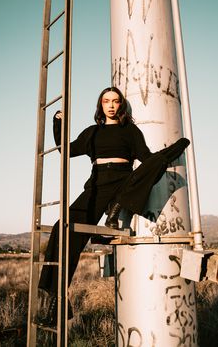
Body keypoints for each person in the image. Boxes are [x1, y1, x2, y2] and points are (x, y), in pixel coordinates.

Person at [38, 86, 190, 326]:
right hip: (97, 184)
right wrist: (57, 124)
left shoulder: (129, 130)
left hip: (125, 180)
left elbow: (145, 158)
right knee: (61, 229)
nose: (111, 105)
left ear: (121, 105)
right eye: (106, 101)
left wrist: (166, 156)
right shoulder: (92, 133)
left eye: (115, 101)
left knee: (148, 167)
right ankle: (58, 300)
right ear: (100, 105)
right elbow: (65, 151)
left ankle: (118, 206)